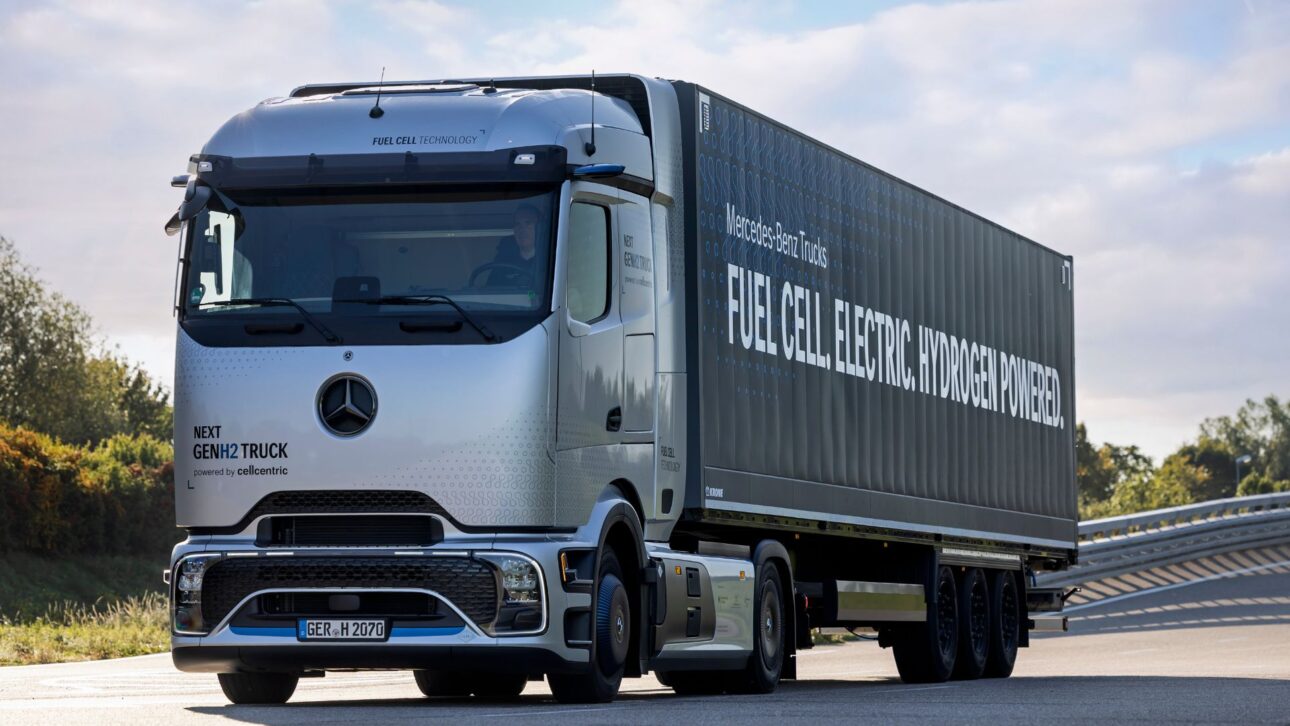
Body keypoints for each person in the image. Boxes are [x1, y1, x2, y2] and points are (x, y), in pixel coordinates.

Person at [486, 204, 542, 287]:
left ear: (539, 227)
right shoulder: (502, 262)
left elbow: (535, 294)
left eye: (528, 223)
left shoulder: (547, 261)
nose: (522, 229)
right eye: (517, 224)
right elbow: (490, 290)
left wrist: (531, 295)